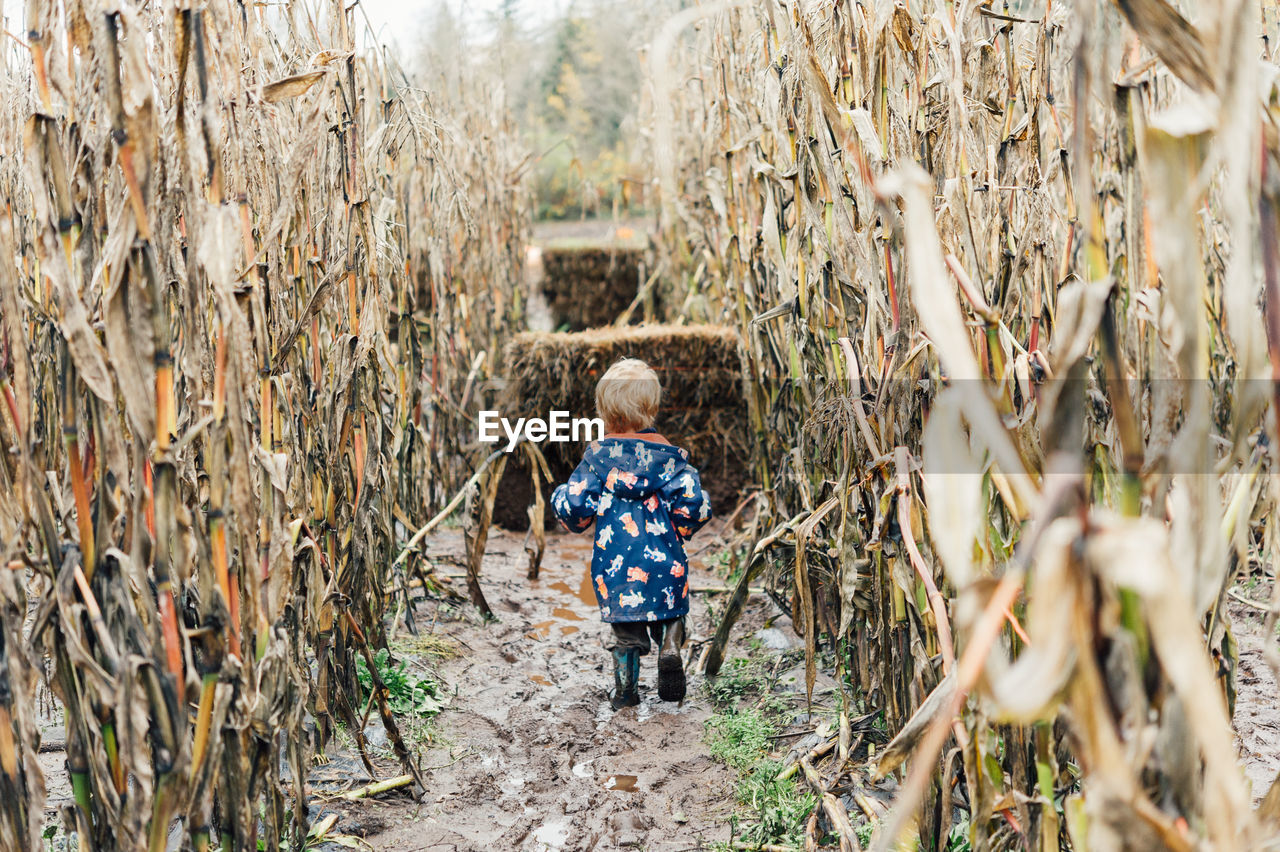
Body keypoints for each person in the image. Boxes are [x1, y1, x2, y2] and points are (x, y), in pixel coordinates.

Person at [551, 358, 712, 709]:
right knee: (671, 613)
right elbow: (693, 510)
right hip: (666, 566)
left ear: (605, 414)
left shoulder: (595, 463)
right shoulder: (672, 462)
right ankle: (670, 644)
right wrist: (683, 526)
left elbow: (575, 513)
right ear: (651, 409)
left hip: (618, 572)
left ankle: (625, 692)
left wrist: (558, 496)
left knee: (625, 636)